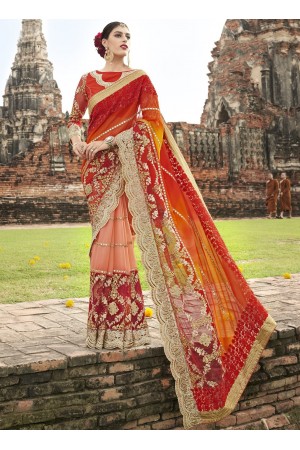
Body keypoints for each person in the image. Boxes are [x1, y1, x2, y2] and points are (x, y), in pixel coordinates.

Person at [67, 21, 276, 429]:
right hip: (96, 171)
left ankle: (127, 327)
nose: (125, 42)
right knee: (102, 244)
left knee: (121, 241)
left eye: (129, 37)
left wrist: (112, 141)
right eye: (118, 36)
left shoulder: (141, 79)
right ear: (104, 43)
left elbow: (152, 125)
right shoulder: (87, 80)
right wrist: (78, 140)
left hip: (127, 164)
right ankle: (106, 326)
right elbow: (75, 117)